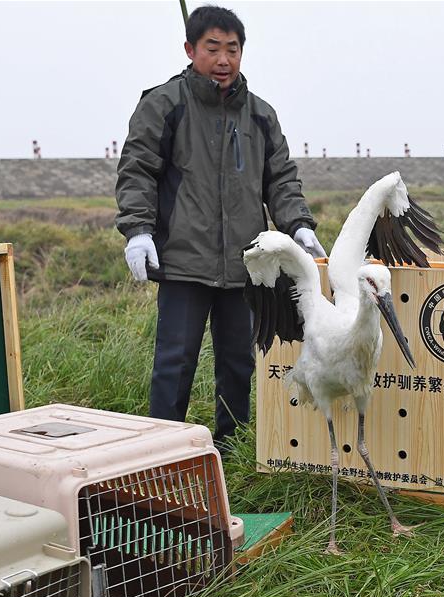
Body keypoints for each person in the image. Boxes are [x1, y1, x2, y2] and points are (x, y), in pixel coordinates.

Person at [115, 5, 326, 450]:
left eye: (233, 49)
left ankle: (230, 449)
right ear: (190, 49)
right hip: (183, 260)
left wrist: (299, 226)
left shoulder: (261, 115)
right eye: (212, 48)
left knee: (238, 363)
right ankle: (164, 452)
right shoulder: (164, 104)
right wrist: (138, 231)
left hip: (245, 266)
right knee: (174, 362)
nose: (224, 59)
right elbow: (138, 170)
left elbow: (281, 179)